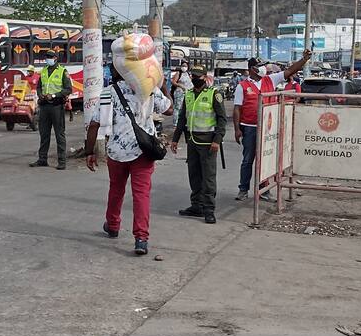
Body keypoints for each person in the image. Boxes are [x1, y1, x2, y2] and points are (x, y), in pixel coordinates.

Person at [85, 71, 172, 256]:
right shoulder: (149, 88)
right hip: (144, 151)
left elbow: (94, 124)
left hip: (117, 152)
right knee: (141, 195)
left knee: (116, 190)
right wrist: (161, 83)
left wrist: (89, 151)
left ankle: (113, 225)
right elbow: (169, 109)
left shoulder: (108, 91)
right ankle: (141, 238)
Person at [233, 50, 311, 201]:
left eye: (263, 65)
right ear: (251, 69)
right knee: (248, 160)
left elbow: (290, 71)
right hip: (249, 127)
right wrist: (237, 130)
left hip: (267, 128)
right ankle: (243, 189)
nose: (263, 68)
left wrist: (304, 60)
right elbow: (237, 108)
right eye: (259, 66)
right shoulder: (242, 86)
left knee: (265, 159)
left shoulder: (271, 80)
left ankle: (264, 189)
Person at [170, 66, 227, 224]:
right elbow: (182, 118)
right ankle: (197, 206)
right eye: (193, 76)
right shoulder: (188, 94)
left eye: (198, 76)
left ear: (204, 77)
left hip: (209, 142)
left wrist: (217, 139)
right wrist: (175, 139)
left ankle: (209, 210)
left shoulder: (213, 94)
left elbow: (222, 119)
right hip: (192, 142)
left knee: (208, 178)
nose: (195, 79)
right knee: (194, 175)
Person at [30, 51, 72, 170]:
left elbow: (68, 89)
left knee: (59, 134)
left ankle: (62, 161)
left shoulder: (62, 71)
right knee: (44, 134)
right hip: (44, 106)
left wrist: (54, 95)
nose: (48, 59)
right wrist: (40, 95)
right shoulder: (44, 71)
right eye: (46, 57)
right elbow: (39, 86)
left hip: (56, 106)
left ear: (55, 58)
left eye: (50, 57)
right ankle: (42, 159)